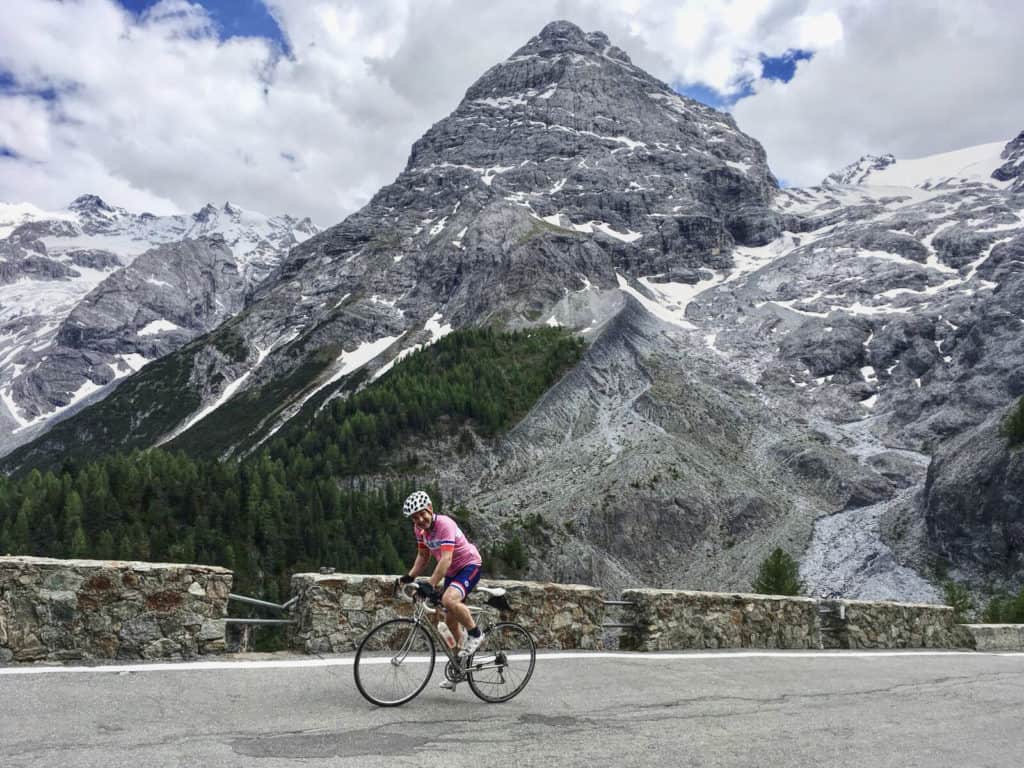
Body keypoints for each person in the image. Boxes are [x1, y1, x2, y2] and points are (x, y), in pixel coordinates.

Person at [399, 490, 485, 690]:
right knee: (449, 622)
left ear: (430, 508)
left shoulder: (444, 524)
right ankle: (459, 668)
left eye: (422, 513)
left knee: (448, 601)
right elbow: (423, 556)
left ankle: (476, 634)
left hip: (469, 565)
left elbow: (445, 559)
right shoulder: (419, 530)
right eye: (415, 517)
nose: (420, 519)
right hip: (453, 572)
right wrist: (410, 576)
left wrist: (429, 583)